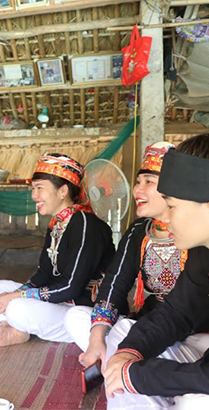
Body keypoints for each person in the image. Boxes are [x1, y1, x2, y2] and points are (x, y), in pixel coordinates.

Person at [104, 134, 209, 409]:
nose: (167, 217)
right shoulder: (204, 253)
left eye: (171, 206)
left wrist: (138, 377)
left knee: (196, 403)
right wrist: (130, 353)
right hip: (196, 351)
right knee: (123, 338)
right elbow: (178, 311)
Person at [64, 142, 190, 370]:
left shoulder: (195, 229)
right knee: (78, 317)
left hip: (191, 332)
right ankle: (123, 364)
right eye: (138, 181)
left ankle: (122, 366)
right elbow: (115, 281)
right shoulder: (139, 230)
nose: (137, 190)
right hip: (146, 324)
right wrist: (97, 336)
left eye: (149, 182)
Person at [0, 153, 115, 347]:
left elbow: (71, 287)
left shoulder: (86, 224)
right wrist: (14, 294)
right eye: (33, 188)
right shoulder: (57, 224)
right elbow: (44, 273)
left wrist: (16, 296)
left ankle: (18, 324)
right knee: (1, 288)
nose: (33, 195)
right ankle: (14, 328)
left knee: (16, 307)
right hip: (60, 302)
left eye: (39, 188)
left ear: (63, 191)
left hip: (83, 311)